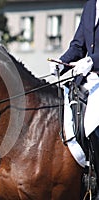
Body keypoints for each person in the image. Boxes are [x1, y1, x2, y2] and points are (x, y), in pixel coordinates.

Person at [49, 0, 99, 185]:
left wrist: (93, 60)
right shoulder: (90, 6)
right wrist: (61, 62)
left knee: (91, 123)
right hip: (85, 79)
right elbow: (78, 46)